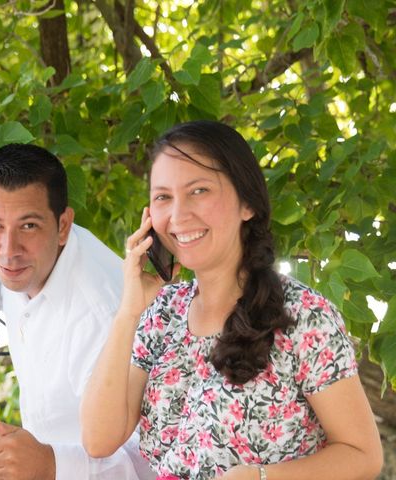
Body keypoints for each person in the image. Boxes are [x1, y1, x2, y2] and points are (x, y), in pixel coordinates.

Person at [80, 120, 383, 480]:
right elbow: (98, 440)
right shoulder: (160, 314)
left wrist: (260, 477)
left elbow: (363, 455)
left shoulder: (303, 315)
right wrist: (128, 312)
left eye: (199, 191)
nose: (178, 215)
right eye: (163, 197)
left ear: (247, 204)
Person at [0, 143, 155, 480]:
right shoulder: (37, 261)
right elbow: (11, 283)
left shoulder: (100, 318)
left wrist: (51, 465)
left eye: (28, 226)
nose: (8, 250)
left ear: (62, 226)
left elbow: (151, 459)